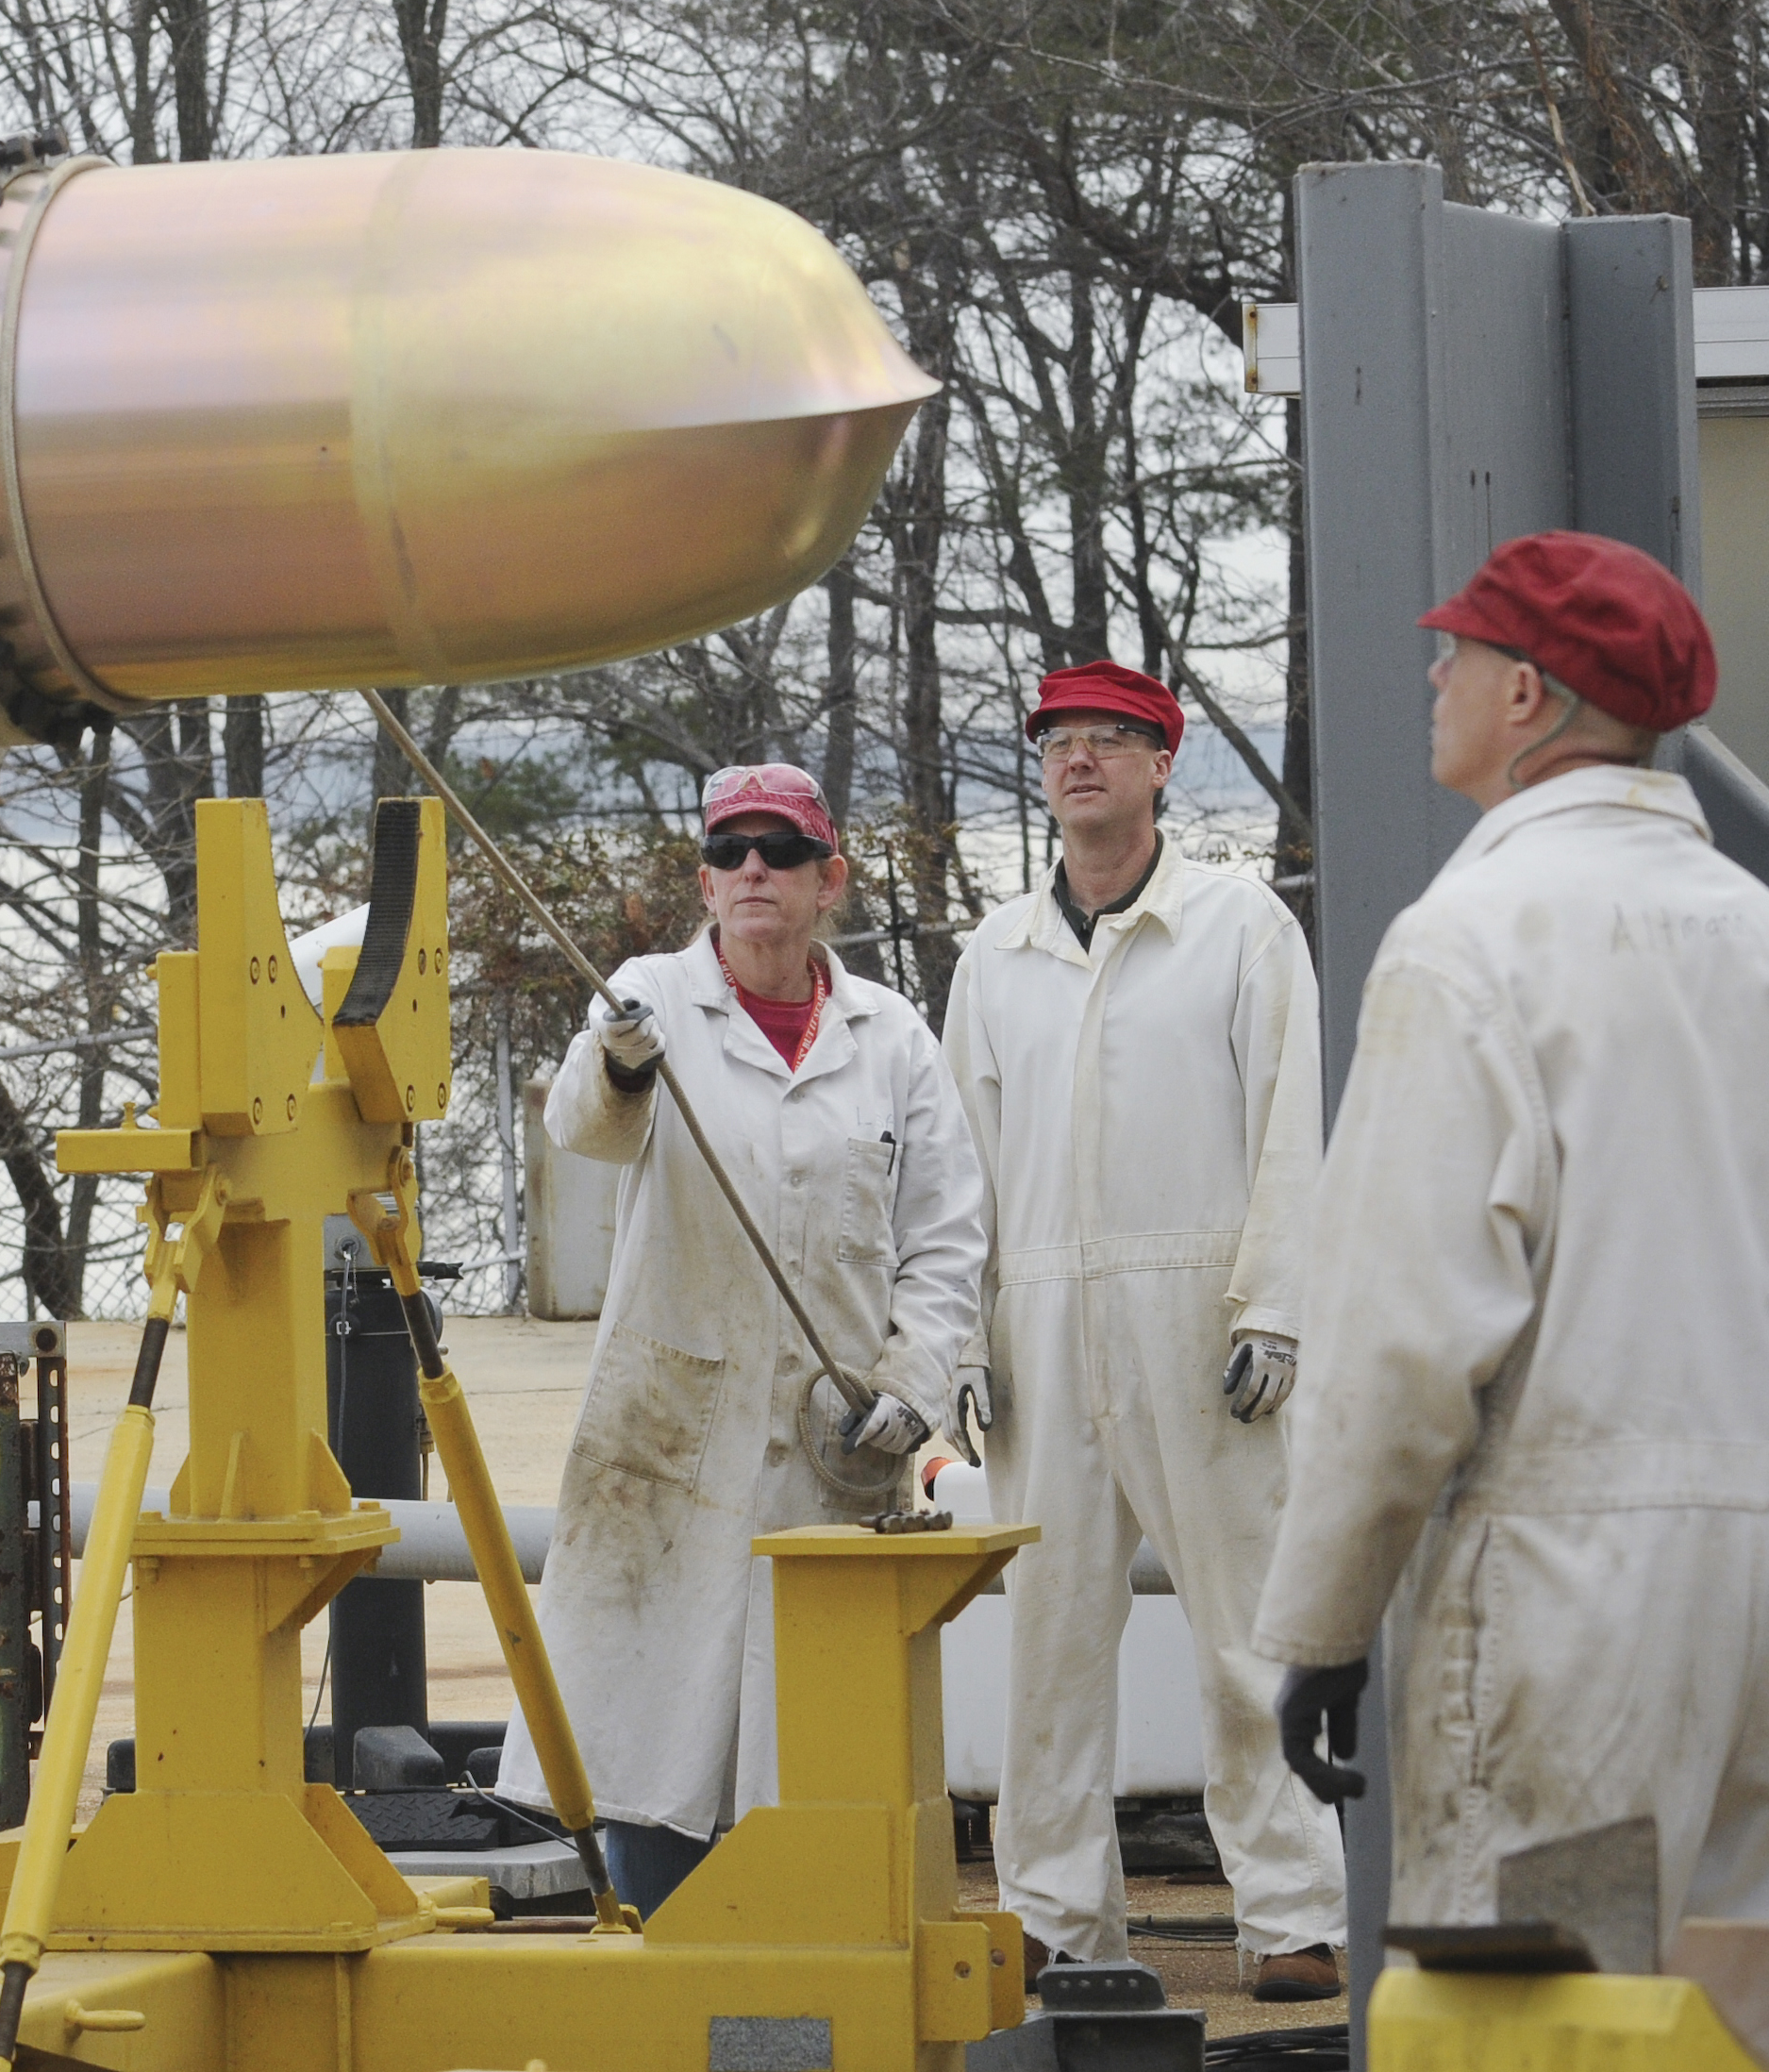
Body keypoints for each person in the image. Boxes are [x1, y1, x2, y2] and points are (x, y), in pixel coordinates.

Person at [1257, 530, 1769, 1945]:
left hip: (1577, 1622)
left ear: (1526, 695)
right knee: (1716, 2025)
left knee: (1550, 2026)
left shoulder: (1473, 940)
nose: (1433, 671)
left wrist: (1322, 1628)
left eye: (1457, 651)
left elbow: (1396, 1344)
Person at [498, 760, 989, 1920]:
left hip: (837, 1457)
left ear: (833, 880)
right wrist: (618, 1062)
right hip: (666, 1440)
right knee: (655, 1742)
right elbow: (588, 1129)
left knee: (815, 1753)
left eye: (779, 848)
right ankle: (671, 1968)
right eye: (729, 852)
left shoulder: (894, 1038)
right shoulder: (647, 996)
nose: (752, 868)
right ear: (707, 885)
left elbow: (949, 1236)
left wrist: (911, 1384)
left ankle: (809, 1984)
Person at [946, 661, 1345, 2004]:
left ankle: (1290, 1912)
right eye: (1059, 740)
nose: (1079, 761)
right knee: (1049, 1637)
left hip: (1201, 1319)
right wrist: (960, 1334)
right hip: (1042, 1322)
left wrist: (1275, 1306)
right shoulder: (996, 956)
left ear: (1163, 764)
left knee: (1249, 1630)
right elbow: (963, 1174)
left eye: (1111, 740)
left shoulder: (1234, 929)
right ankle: (1058, 1919)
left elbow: (1294, 1126)